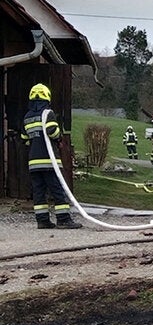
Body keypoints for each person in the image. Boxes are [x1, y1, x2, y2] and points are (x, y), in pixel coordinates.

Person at [20, 82, 82, 230]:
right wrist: (59, 138)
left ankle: (42, 220)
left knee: (39, 191)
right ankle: (63, 219)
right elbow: (52, 131)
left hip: (33, 162)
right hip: (49, 160)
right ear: (47, 97)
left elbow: (24, 138)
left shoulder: (27, 117)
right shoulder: (48, 113)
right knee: (57, 189)